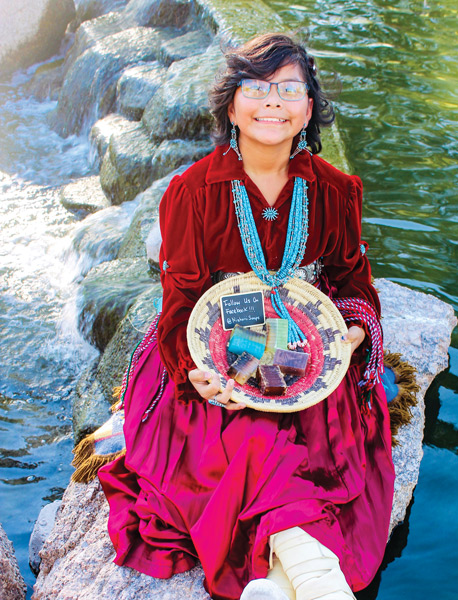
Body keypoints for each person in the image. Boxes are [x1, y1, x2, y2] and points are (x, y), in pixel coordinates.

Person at [98, 33, 395, 600]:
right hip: (209, 348)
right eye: (256, 88)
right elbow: (181, 302)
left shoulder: (334, 190)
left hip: (306, 348)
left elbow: (354, 284)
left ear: (309, 107)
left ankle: (279, 586)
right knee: (252, 432)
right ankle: (316, 582)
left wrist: (350, 334)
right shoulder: (191, 192)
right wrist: (195, 371)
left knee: (302, 424)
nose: (272, 102)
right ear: (231, 104)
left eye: (289, 88)